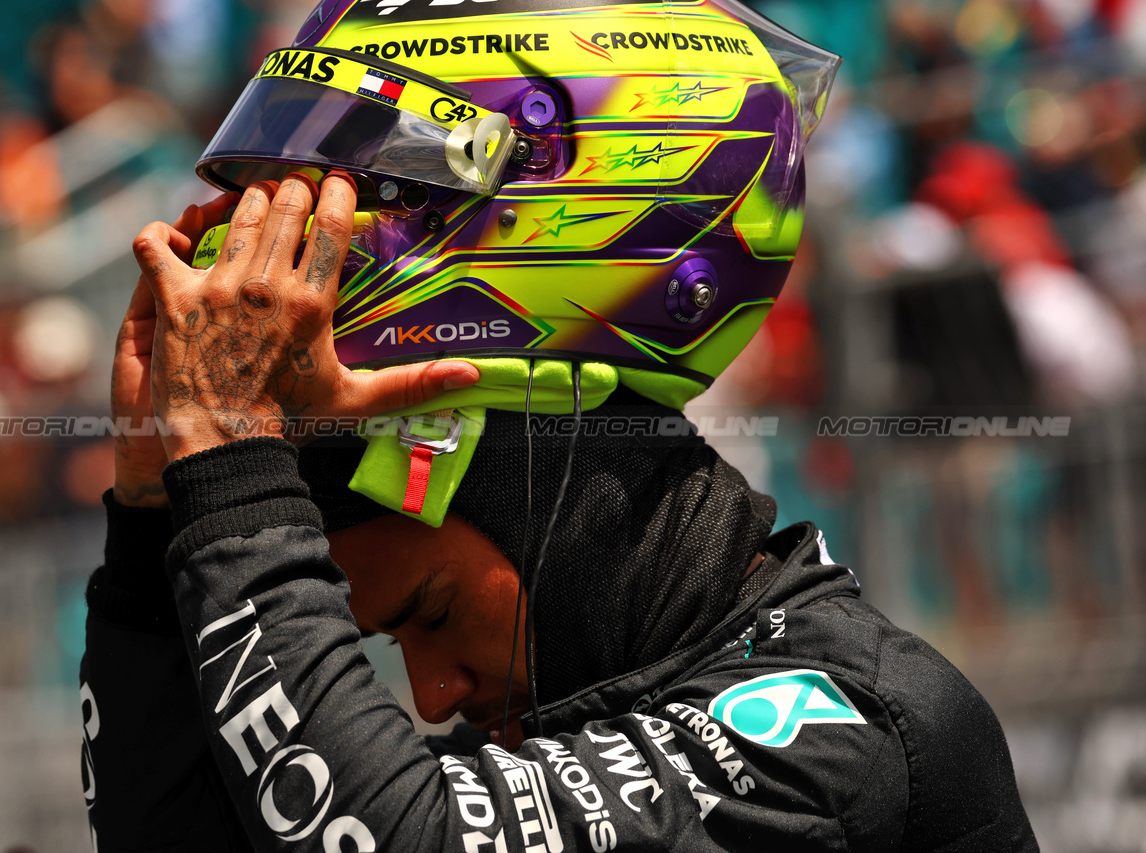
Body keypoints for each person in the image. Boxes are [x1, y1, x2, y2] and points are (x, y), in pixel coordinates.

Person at [81, 0, 1039, 849]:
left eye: (433, 614)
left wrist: (236, 459)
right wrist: (150, 524)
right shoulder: (575, 717)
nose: (431, 698)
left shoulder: (848, 729)